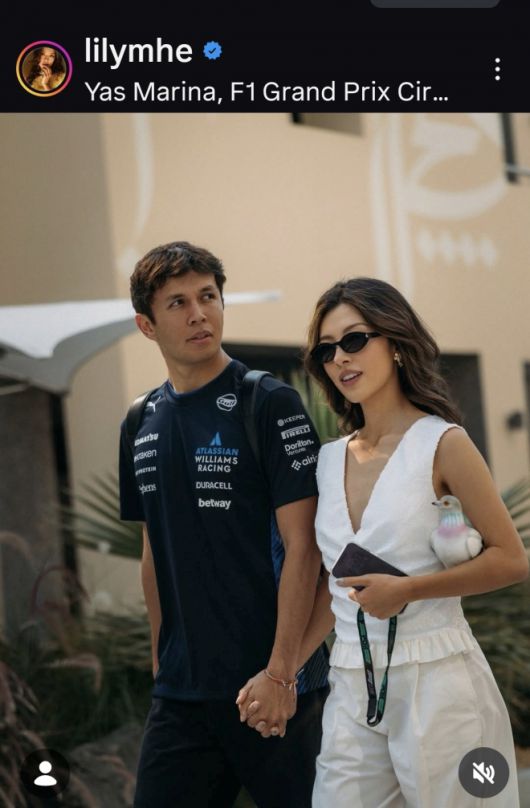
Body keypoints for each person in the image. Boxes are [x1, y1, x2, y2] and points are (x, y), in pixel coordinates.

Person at [239, 276, 528, 807]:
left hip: (438, 680)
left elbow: (512, 560)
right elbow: (335, 591)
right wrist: (281, 675)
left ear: (395, 342)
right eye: (326, 350)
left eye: (354, 340)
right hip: (352, 684)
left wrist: (409, 590)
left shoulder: (443, 443)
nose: (340, 359)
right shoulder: (328, 461)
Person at [119, 241, 329, 808]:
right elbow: (152, 550)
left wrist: (281, 673)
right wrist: (161, 660)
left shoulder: (268, 402)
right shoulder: (139, 420)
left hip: (275, 688)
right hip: (181, 696)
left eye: (208, 296)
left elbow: (306, 547)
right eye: (178, 303)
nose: (199, 314)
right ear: (146, 324)